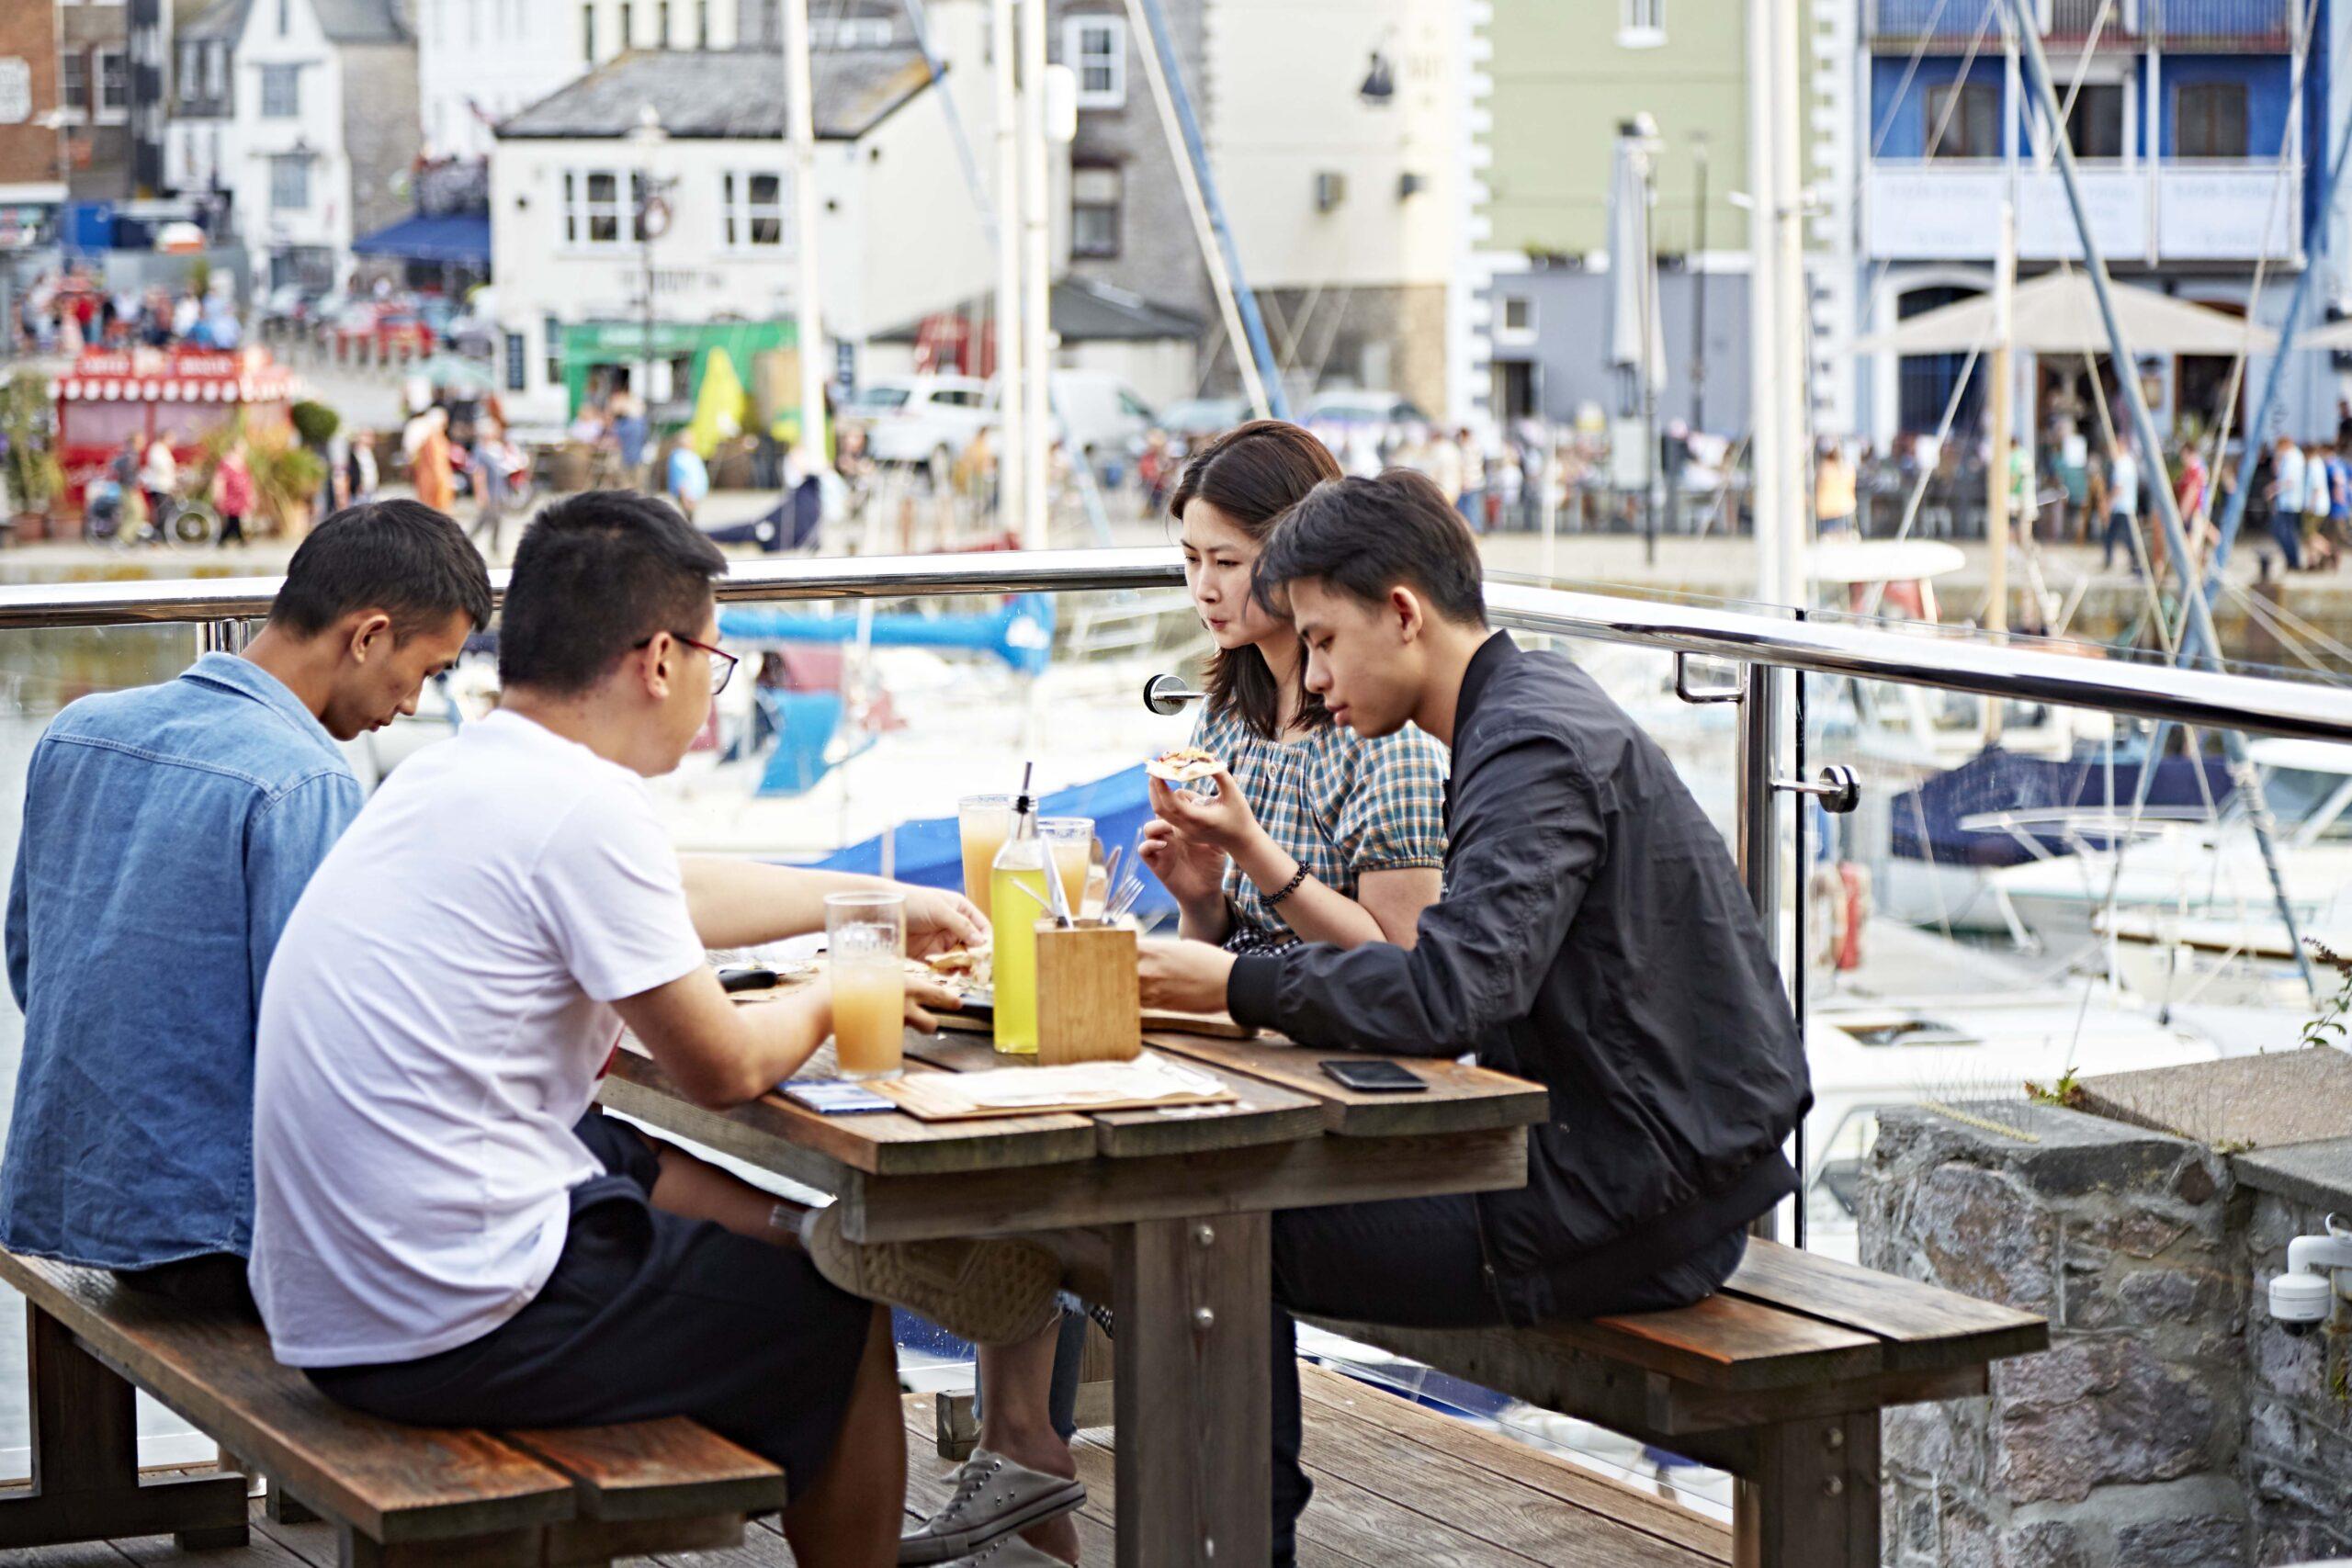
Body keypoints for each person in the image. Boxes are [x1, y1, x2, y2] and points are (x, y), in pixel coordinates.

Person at [248, 491, 1057, 1568]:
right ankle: (841, 1298)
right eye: (718, 664)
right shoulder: (582, 806)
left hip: (333, 1288)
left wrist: (864, 899)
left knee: (619, 1146)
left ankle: (815, 1235)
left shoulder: (463, 771)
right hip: (439, 1322)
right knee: (835, 1326)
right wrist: (841, 983)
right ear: (661, 658)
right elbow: (722, 1065)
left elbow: (662, 892)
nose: (713, 698)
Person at [1132, 468, 1811, 1565]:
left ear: (1401, 612)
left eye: (1320, 641)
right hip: (1624, 1166)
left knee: (1217, 1232)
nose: (1310, 675)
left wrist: (1225, 986)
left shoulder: (1528, 743)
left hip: (1632, 1207)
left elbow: (1450, 992)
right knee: (1219, 1205)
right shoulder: (1525, 710)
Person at [906, 424, 1452, 1568]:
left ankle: (1200, 1507)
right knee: (1019, 1113)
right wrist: (1195, 897)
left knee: (1130, 1200)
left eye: (1229, 560)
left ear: (1301, 558)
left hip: (1329, 1066)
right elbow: (1222, 940)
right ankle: (1025, 1456)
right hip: (1239, 1036)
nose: (1205, 588)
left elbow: (1403, 965)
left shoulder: (1376, 733)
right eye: (1189, 560)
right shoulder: (1228, 715)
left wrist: (1252, 861)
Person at [0, 503, 490, 1310]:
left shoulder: (79, 730)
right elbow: (331, 1045)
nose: (411, 705)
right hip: (217, 1240)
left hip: (71, 1198)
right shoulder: (305, 782)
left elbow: (32, 966)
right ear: (367, 637)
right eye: (429, 671)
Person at [2101, 441, 2141, 575]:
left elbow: (2118, 487)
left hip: (2121, 506)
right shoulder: (2130, 463)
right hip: (2129, 505)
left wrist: (2109, 503)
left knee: (2112, 535)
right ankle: (2133, 561)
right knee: (2126, 536)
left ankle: (2111, 561)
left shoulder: (2121, 464)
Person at [213, 438, 255, 547]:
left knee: (236, 517)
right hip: (230, 494)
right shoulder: (226, 461)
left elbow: (247, 479)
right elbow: (219, 479)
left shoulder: (242, 461)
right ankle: (238, 539)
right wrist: (218, 495)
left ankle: (231, 538)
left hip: (241, 496)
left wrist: (251, 495)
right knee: (233, 516)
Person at [141, 428, 180, 528]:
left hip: (165, 486)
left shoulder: (163, 450)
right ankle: (160, 533)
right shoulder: (157, 449)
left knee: (167, 510)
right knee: (162, 511)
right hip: (159, 486)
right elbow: (162, 467)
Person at [667, 438, 710, 522]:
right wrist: (684, 495)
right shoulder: (679, 457)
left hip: (693, 493)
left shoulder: (690, 455)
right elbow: (680, 478)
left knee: (691, 516)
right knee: (688, 516)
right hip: (687, 493)